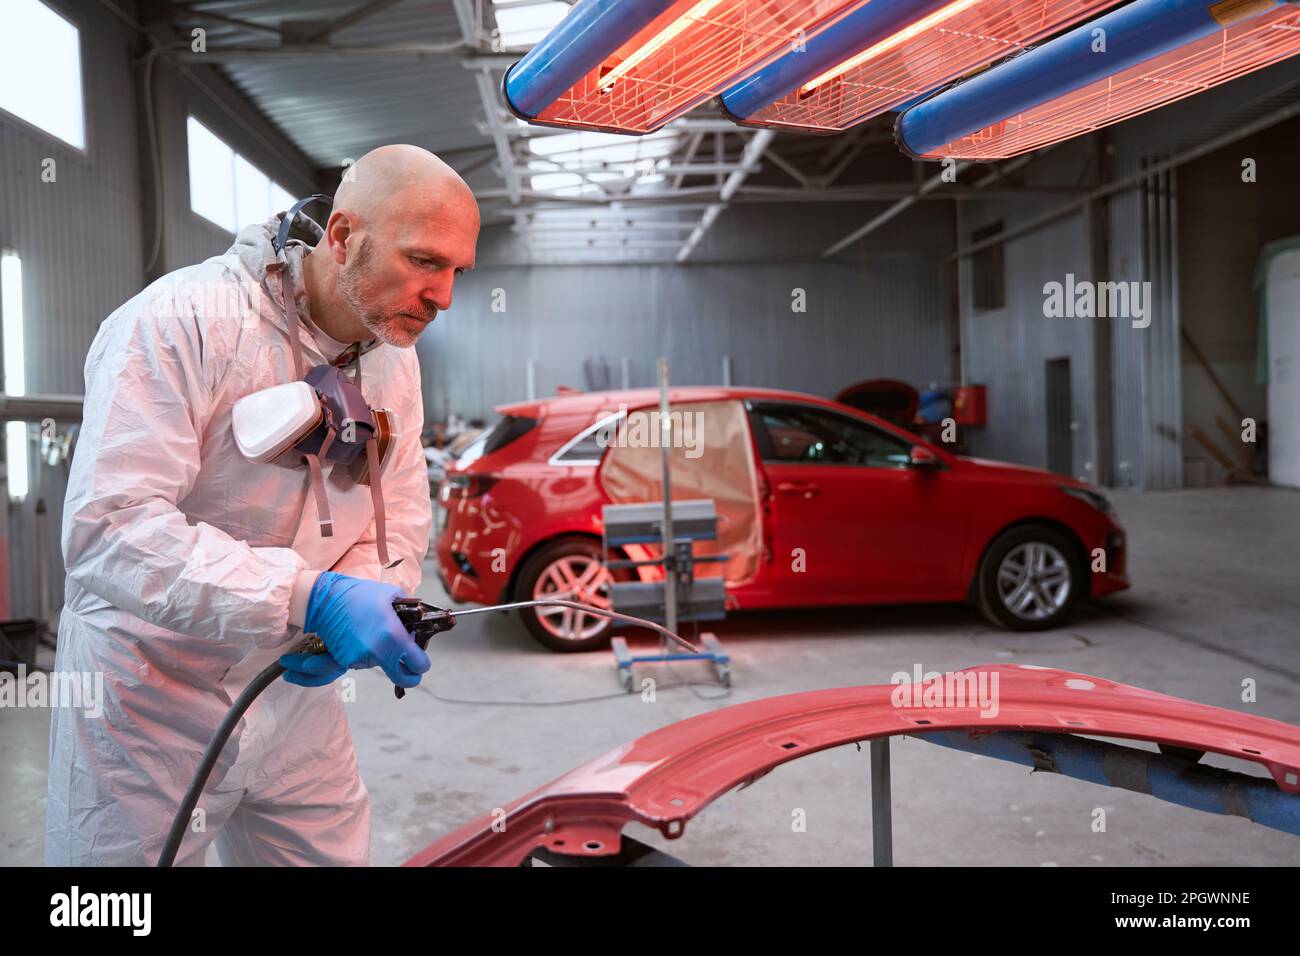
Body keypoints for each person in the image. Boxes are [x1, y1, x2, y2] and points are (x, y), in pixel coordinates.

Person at [45, 145, 480, 866]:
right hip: (148, 699)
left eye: (457, 271)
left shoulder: (391, 355)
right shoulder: (182, 320)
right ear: (342, 237)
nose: (444, 297)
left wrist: (372, 600)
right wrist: (305, 595)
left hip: (295, 687)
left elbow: (399, 514)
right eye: (424, 261)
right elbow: (109, 529)